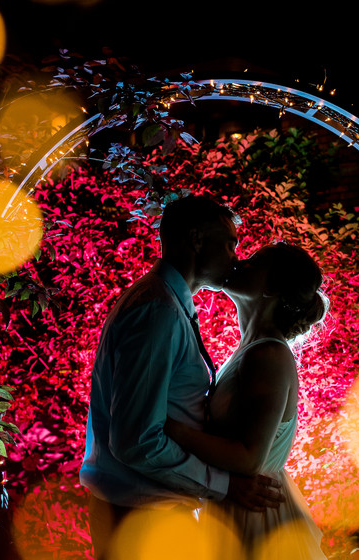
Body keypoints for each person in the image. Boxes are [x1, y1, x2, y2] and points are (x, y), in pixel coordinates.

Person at [79, 195, 284, 560]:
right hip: (143, 518)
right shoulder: (158, 310)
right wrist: (223, 486)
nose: (235, 256)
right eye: (230, 243)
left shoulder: (164, 303)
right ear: (196, 240)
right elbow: (137, 441)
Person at [165, 242, 328, 559]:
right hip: (234, 508)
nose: (240, 262)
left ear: (270, 288)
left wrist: (168, 427)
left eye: (254, 262)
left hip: (254, 521)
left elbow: (250, 458)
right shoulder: (251, 351)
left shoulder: (268, 355)